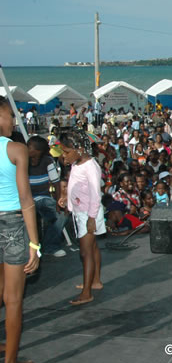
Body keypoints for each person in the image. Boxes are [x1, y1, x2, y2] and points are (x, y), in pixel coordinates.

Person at [0, 96, 40, 363]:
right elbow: (26, 199)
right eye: (9, 115)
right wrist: (35, 245)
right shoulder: (15, 149)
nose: (13, 120)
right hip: (12, 224)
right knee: (13, 299)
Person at [59, 130, 106, 306]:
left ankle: (87, 293)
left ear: (78, 149)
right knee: (92, 248)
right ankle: (95, 281)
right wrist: (67, 199)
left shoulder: (91, 166)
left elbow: (95, 194)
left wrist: (91, 218)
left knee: (85, 252)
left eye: (66, 152)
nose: (64, 156)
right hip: (82, 212)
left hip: (88, 214)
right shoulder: (77, 164)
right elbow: (76, 187)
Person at [27, 136, 66, 257]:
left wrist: (58, 201)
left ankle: (50, 246)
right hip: (27, 199)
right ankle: (29, 250)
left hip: (44, 197)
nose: (27, 149)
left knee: (62, 214)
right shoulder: (23, 160)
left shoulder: (48, 161)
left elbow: (56, 182)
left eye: (30, 147)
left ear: (38, 151)